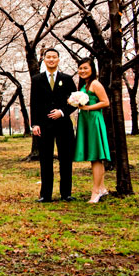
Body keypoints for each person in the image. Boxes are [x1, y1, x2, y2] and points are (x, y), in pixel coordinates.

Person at [30, 49, 78, 202]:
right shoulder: (37, 79)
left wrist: (62, 112)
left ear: (58, 60)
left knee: (65, 159)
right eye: (48, 57)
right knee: (45, 160)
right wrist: (34, 124)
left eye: (54, 57)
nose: (51, 60)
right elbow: (34, 103)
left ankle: (66, 193)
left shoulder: (67, 79)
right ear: (44, 60)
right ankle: (45, 194)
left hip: (63, 124)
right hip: (44, 125)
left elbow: (75, 101)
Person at [73, 58, 111, 203]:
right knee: (95, 157)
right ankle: (101, 187)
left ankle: (95, 191)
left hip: (94, 120)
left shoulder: (95, 83)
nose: (82, 71)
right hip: (86, 120)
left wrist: (87, 108)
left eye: (85, 68)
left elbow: (105, 102)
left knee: (96, 156)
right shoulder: (85, 84)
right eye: (80, 68)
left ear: (92, 69)